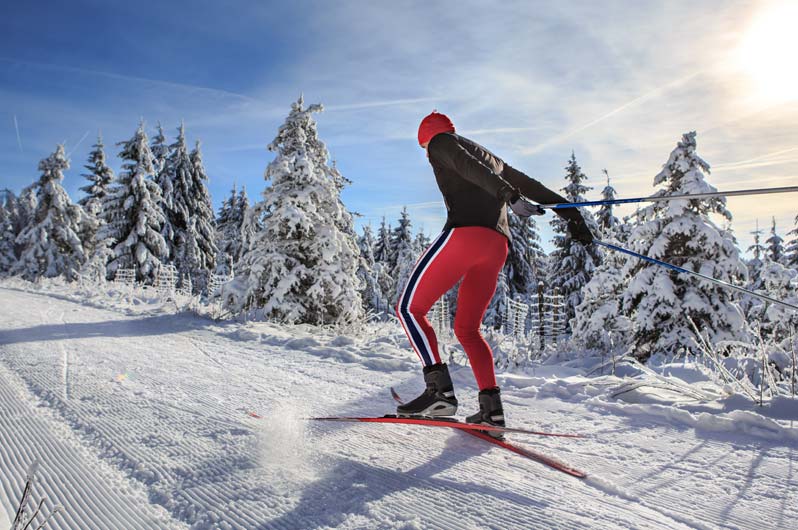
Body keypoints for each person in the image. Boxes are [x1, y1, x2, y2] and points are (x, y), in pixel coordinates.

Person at [395, 111, 593, 435]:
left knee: (409, 309)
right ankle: (492, 410)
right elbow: (533, 186)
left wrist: (509, 196)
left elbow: (465, 166)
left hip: (465, 236)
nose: (428, 155)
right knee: (468, 329)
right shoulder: (491, 158)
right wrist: (571, 215)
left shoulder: (441, 143)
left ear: (426, 139)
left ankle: (439, 393)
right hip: (496, 246)